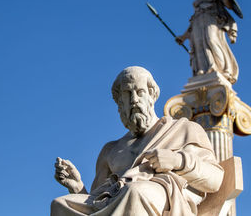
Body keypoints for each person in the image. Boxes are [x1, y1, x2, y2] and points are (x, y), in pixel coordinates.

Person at [51, 66, 224, 216]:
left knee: (133, 193)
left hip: (159, 197)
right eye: (127, 94)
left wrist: (177, 161)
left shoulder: (183, 129)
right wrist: (77, 187)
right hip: (119, 197)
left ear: (152, 96)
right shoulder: (110, 150)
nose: (134, 99)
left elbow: (215, 179)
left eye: (140, 92)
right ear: (120, 103)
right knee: (60, 204)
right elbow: (96, 204)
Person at [176, 0, 239, 83]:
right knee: (199, 44)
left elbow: (228, 5)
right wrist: (183, 37)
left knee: (212, 41)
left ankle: (221, 68)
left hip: (212, 21)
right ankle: (204, 69)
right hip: (198, 23)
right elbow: (192, 21)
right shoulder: (197, 3)